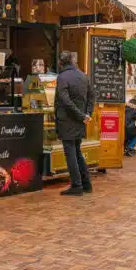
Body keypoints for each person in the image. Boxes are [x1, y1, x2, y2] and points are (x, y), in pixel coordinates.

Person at [54, 51, 94, 196]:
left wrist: (81, 115)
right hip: (79, 121)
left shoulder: (62, 77)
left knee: (70, 153)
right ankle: (86, 184)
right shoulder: (83, 76)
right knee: (77, 152)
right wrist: (87, 114)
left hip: (67, 120)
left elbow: (64, 100)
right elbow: (91, 96)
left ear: (61, 62)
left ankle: (76, 185)